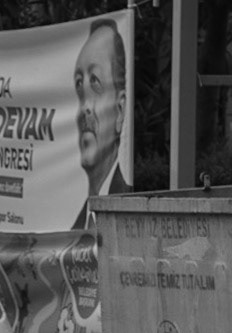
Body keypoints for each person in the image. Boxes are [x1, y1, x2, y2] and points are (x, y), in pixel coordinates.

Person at [72, 18, 129, 229]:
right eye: (79, 84)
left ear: (120, 110)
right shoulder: (73, 229)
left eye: (95, 82)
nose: (84, 107)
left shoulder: (129, 216)